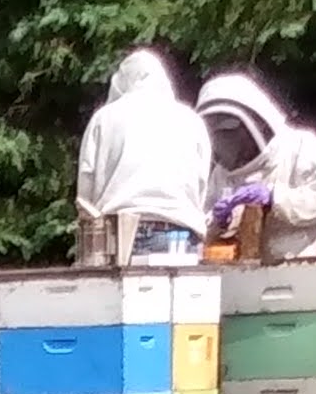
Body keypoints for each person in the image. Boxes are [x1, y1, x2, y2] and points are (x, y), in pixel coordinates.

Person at [73, 49, 213, 266]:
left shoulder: (104, 118)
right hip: (184, 236)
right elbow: (202, 183)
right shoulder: (191, 120)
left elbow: (86, 191)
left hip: (121, 237)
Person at [199, 72, 316, 259]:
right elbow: (205, 227)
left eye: (232, 134)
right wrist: (220, 222)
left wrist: (274, 197)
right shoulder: (222, 173)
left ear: (257, 122)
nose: (228, 144)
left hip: (301, 265)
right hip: (244, 270)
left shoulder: (300, 146)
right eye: (220, 136)